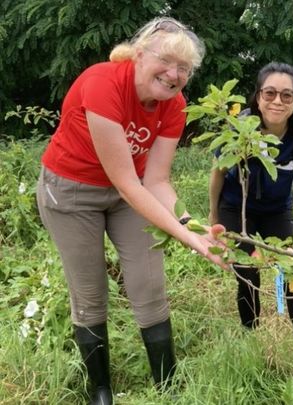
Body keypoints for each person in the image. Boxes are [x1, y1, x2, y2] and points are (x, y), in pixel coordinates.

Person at [36, 17, 227, 405]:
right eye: (166, 61)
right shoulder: (103, 82)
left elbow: (156, 180)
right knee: (90, 292)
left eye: (184, 69)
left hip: (127, 196)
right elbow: (128, 181)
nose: (174, 74)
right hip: (72, 193)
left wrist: (189, 222)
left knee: (149, 284)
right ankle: (100, 390)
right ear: (140, 55)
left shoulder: (173, 105)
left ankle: (167, 385)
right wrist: (186, 238)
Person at [208, 62, 293, 346]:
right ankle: (251, 336)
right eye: (269, 93)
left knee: (291, 269)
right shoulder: (237, 129)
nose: (277, 101)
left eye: (287, 95)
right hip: (236, 207)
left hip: (277, 209)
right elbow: (218, 174)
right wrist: (213, 216)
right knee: (247, 271)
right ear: (258, 97)